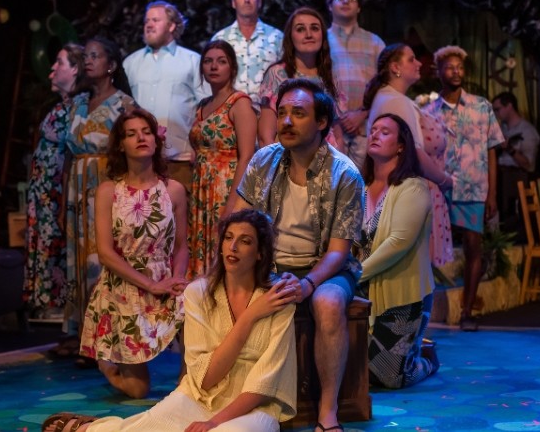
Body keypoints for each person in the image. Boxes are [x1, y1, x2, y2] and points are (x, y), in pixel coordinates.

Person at [42, 209, 297, 432]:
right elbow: (205, 379)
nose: (233, 247)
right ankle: (92, 428)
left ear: (260, 253)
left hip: (253, 409)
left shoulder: (279, 301)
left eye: (245, 241)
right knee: (149, 427)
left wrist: (214, 422)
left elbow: (265, 383)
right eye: (228, 238)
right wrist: (250, 317)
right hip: (199, 397)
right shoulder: (198, 294)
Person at [233, 78, 364, 432]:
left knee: (328, 303)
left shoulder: (345, 174)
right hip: (273, 264)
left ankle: (327, 411)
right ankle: (238, 399)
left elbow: (338, 251)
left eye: (299, 114)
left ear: (321, 122)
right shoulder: (265, 160)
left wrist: (308, 283)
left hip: (327, 268)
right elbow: (239, 222)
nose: (287, 122)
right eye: (282, 113)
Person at [79, 108, 189, 399]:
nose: (141, 137)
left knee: (196, 305)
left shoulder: (174, 190)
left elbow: (181, 246)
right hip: (124, 286)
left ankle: (185, 389)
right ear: (120, 145)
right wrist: (150, 285)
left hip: (165, 280)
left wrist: (177, 279)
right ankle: (107, 365)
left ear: (156, 140)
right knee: (138, 391)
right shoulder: (108, 192)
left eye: (146, 132)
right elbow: (105, 254)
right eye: (131, 134)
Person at [62, 36, 138, 359]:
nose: (89, 61)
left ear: (111, 65)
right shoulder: (78, 102)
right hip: (76, 189)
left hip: (106, 185)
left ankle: (105, 337)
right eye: (86, 57)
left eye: (95, 56)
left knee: (101, 259)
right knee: (78, 261)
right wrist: (63, 199)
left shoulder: (124, 104)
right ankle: (83, 335)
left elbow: (131, 150)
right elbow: (68, 153)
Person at [423, 46, 504, 332]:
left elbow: (492, 150)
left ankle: (467, 311)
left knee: (473, 247)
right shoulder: (428, 112)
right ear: (439, 72)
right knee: (427, 249)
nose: (456, 72)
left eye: (460, 67)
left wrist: (492, 194)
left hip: (473, 187)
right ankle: (423, 311)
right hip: (439, 189)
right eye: (450, 67)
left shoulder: (481, 106)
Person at [357, 113, 440, 388]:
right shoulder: (360, 187)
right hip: (362, 291)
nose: (375, 135)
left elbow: (398, 242)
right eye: (373, 130)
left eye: (385, 132)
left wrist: (354, 274)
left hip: (403, 297)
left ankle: (426, 359)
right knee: (357, 373)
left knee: (388, 378)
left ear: (401, 145)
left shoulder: (413, 187)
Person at [361, 43, 453, 267]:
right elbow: (416, 153)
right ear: (395, 68)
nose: (419, 63)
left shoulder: (391, 97)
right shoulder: (396, 101)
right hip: (410, 191)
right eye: (411, 59)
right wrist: (445, 181)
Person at [123, 0, 210, 192]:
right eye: (147, 21)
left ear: (171, 26)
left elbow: (206, 107)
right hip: (139, 163)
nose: (149, 25)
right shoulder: (130, 63)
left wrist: (200, 147)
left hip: (179, 160)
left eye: (155, 20)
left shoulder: (192, 61)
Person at [24, 43, 85, 314]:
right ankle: (49, 308)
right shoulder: (60, 106)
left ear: (75, 69)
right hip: (44, 195)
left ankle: (64, 312)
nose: (52, 68)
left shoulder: (80, 107)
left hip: (60, 193)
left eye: (59, 62)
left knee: (59, 251)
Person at [188, 40, 257, 278]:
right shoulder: (202, 106)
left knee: (222, 245)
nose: (213, 66)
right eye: (208, 61)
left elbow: (247, 156)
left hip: (225, 186)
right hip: (201, 188)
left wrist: (232, 204)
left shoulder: (239, 103)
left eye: (221, 61)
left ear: (232, 68)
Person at [257, 6, 343, 148]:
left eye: (314, 28)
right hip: (289, 156)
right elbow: (265, 137)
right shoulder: (277, 74)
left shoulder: (330, 76)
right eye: (300, 29)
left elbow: (338, 136)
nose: (309, 34)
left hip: (327, 157)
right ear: (290, 37)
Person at [325, 0, 385, 169]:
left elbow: (385, 84)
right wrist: (337, 116)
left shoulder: (375, 42)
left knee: (362, 183)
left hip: (366, 127)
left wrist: (362, 113)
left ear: (359, 7)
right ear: (329, 5)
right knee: (331, 182)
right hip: (329, 128)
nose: (345, 1)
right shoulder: (321, 41)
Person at [211, 0, 284, 110]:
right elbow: (211, 80)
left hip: (269, 114)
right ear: (233, 3)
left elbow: (287, 78)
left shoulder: (277, 37)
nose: (246, 0)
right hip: (230, 115)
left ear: (259, 2)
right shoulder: (220, 39)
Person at [491, 91, 540, 232]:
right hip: (499, 176)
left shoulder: (527, 131)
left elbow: (528, 165)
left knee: (510, 214)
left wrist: (509, 149)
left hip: (515, 178)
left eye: (498, 109)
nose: (496, 113)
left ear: (509, 106)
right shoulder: (502, 128)